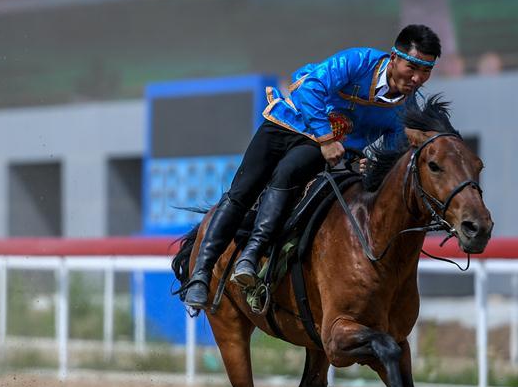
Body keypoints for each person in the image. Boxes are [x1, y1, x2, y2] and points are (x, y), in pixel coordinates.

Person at [182, 24, 442, 310]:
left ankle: (252, 255)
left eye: (426, 71)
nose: (418, 78)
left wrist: (373, 162)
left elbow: (394, 146)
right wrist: (327, 138)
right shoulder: (358, 60)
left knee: (288, 173)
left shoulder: (408, 107)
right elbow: (311, 88)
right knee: (242, 190)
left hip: (322, 146)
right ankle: (201, 275)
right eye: (412, 67)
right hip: (289, 122)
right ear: (394, 58)